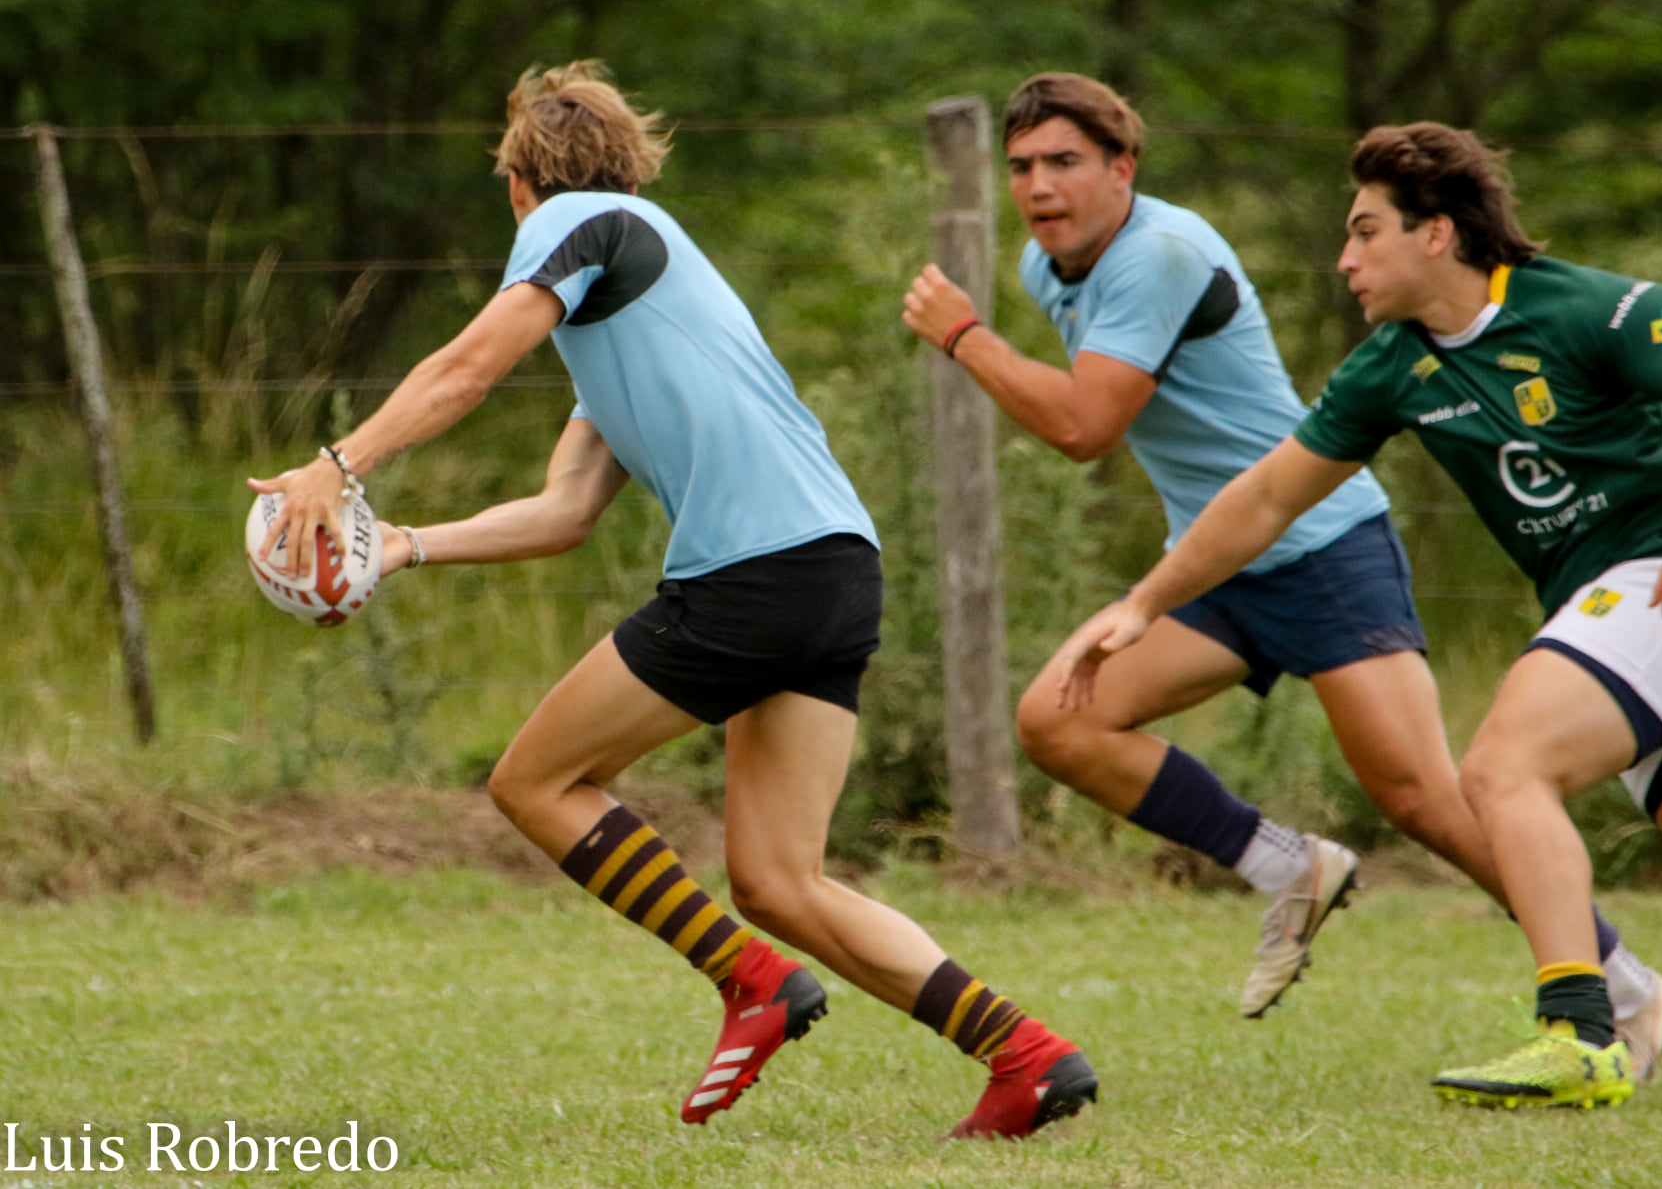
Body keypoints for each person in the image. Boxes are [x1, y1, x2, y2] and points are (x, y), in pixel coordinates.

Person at [1045, 119, 1662, 1110]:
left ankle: (1580, 1029)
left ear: (1435, 232)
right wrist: (1144, 602)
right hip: (1639, 625)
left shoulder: (1571, 307)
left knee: (1500, 768)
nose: (1345, 258)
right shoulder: (1394, 365)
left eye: (1366, 232)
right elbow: (1266, 497)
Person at [250, 60, 1097, 1140]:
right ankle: (1027, 1054)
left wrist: (339, 463)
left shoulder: (584, 222)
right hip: (834, 570)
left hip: (754, 575)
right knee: (782, 879)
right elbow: (564, 508)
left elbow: (466, 367)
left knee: (536, 780)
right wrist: (401, 546)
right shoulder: (640, 295)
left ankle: (752, 982)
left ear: (521, 188)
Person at [899, 73, 1662, 1071]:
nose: (1039, 186)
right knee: (1059, 717)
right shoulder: (1046, 263)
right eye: (1021, 167)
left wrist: (965, 337)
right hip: (1217, 561)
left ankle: (1627, 988)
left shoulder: (1161, 254)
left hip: (1321, 544)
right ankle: (1290, 867)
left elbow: (1083, 426)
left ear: (1122, 169)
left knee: (1425, 798)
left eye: (1064, 162)